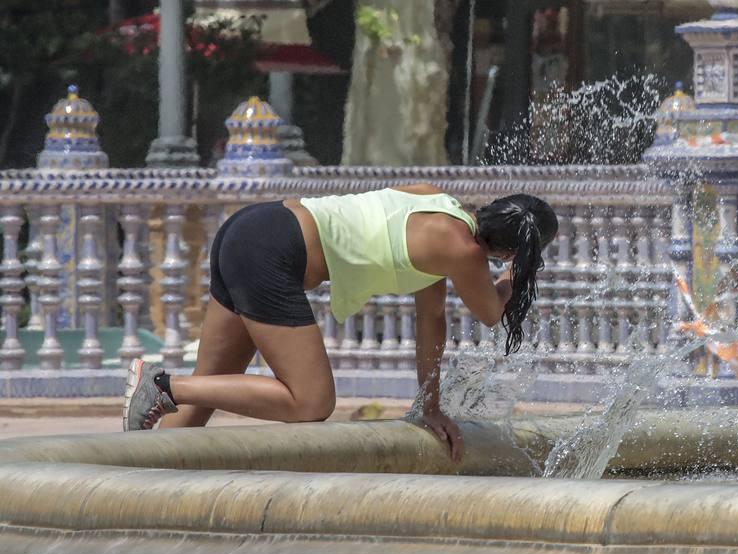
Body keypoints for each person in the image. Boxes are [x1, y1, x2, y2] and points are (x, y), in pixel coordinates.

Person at [122, 188, 559, 458]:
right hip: (275, 252)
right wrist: (516, 273)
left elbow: (432, 319)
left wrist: (430, 407)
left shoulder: (440, 207)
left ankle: (133, 468)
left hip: (254, 226)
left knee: (210, 387)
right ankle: (162, 385)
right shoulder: (463, 250)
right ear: (511, 250)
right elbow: (492, 312)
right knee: (311, 402)